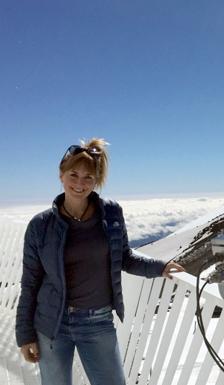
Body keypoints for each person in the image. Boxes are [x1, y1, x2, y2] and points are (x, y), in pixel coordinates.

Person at [15, 138, 184, 385]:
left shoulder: (111, 213)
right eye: (73, 174)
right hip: (51, 323)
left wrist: (160, 267)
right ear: (61, 175)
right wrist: (24, 335)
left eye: (88, 177)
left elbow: (124, 257)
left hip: (98, 321)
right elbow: (30, 282)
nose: (80, 183)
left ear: (97, 181)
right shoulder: (40, 226)